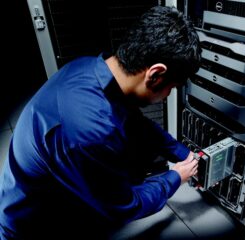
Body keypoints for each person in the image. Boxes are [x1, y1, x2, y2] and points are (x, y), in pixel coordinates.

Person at [0, 5, 201, 240]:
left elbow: (138, 124)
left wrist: (183, 154)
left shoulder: (90, 67)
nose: (168, 94)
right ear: (155, 75)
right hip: (34, 227)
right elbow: (124, 207)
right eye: (172, 87)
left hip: (55, 196)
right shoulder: (90, 131)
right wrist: (175, 177)